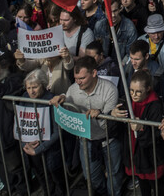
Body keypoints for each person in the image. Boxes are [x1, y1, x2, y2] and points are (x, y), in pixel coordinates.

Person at [49, 56, 119, 194]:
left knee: (114, 176)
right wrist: (61, 100)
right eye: (75, 78)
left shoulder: (110, 90)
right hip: (86, 142)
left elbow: (110, 124)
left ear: (94, 73)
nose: (78, 82)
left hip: (109, 141)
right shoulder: (73, 89)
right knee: (90, 177)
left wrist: (100, 114)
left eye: (81, 78)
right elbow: (67, 113)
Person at [111, 69, 164, 196]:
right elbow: (116, 121)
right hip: (134, 151)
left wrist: (142, 127)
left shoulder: (155, 105)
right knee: (142, 184)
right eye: (131, 90)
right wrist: (113, 113)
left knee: (157, 186)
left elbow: (157, 133)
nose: (134, 95)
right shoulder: (127, 99)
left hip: (150, 155)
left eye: (138, 91)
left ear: (148, 89)